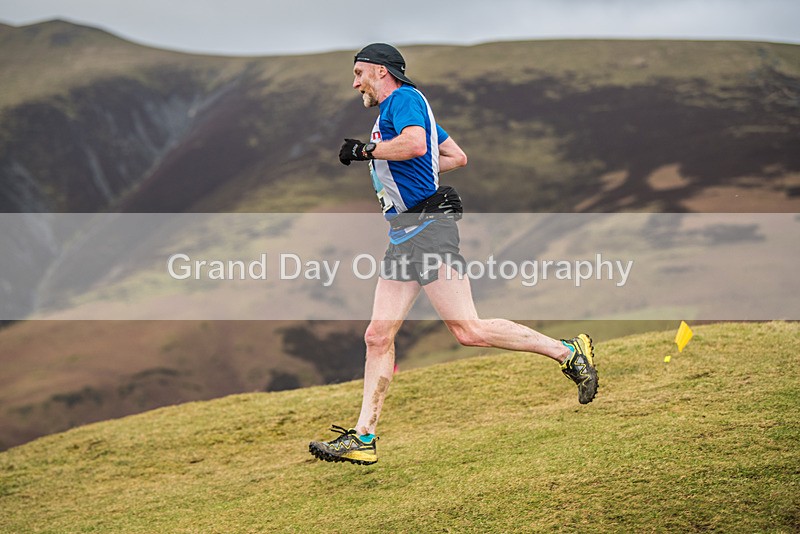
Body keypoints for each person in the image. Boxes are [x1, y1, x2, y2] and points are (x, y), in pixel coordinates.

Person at [308, 43, 598, 466]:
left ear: (382, 72)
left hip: (427, 231)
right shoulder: (402, 106)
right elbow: (455, 157)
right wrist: (416, 172)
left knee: (468, 330)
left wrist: (365, 152)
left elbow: (412, 144)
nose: (354, 83)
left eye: (359, 73)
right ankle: (364, 437)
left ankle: (569, 352)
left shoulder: (402, 100)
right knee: (377, 336)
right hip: (403, 236)